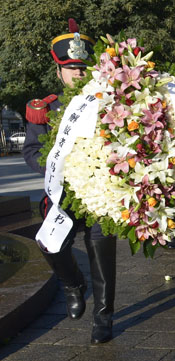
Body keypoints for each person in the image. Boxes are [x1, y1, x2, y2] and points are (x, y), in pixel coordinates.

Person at [23, 19, 118, 344]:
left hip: (100, 195)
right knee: (51, 243)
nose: (77, 73)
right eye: (70, 68)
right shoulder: (44, 109)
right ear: (58, 70)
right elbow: (33, 150)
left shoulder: (107, 103)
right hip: (63, 195)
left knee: (102, 254)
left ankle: (103, 317)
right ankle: (73, 283)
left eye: (81, 67)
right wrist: (55, 168)